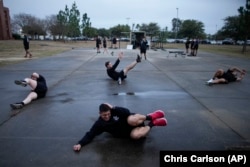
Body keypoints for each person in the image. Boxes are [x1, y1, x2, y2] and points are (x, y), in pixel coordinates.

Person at [73, 103, 167, 152]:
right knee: (135, 136)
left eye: (108, 114)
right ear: (99, 113)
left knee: (131, 120)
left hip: (132, 120)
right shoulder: (99, 124)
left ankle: (150, 116)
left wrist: (114, 108)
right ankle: (153, 123)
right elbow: (90, 134)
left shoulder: (114, 111)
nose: (107, 116)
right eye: (104, 115)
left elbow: (126, 112)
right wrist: (80, 144)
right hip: (128, 132)